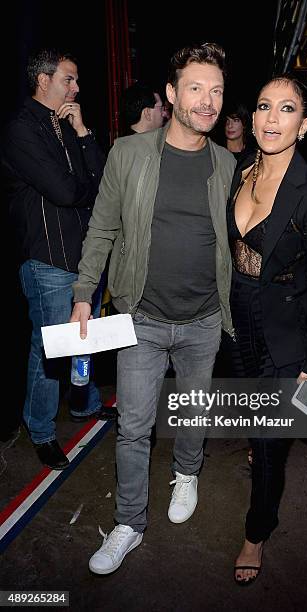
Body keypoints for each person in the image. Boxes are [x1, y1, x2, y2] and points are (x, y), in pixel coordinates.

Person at [70, 42, 235, 575]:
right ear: (171, 94)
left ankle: (187, 472)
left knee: (193, 411)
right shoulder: (129, 153)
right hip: (142, 316)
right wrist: (83, 294)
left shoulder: (228, 163)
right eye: (195, 89)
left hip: (206, 319)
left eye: (216, 91)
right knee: (134, 426)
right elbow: (103, 227)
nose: (207, 102)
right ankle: (129, 523)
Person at [228, 75, 307, 585]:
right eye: (264, 107)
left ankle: (256, 531)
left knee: (271, 443)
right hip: (238, 321)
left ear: (305, 123)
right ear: (251, 119)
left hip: (284, 329)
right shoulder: (238, 171)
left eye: (286, 108)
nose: (273, 118)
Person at [1, 49, 106, 470]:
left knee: (86, 339)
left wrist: (82, 131)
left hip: (84, 256)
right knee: (50, 350)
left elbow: (99, 177)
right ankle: (41, 430)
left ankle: (86, 405)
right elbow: (65, 192)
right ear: (43, 80)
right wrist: (84, 187)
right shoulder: (20, 129)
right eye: (69, 79)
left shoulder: (63, 124)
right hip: (48, 258)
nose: (77, 88)